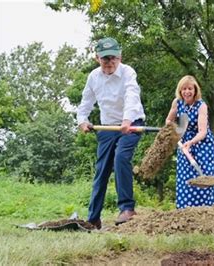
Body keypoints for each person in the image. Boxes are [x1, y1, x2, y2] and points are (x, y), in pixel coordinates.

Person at [77, 37, 146, 229]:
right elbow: (86, 103)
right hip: (107, 127)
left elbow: (132, 95)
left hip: (131, 123)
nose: (110, 62)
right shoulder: (93, 77)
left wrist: (127, 120)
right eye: (105, 58)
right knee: (102, 171)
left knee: (121, 158)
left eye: (113, 58)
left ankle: (127, 208)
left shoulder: (128, 72)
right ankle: (93, 218)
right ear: (97, 58)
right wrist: (82, 120)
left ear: (120, 57)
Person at [165, 75, 214, 209]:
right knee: (186, 174)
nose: (187, 92)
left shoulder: (201, 106)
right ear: (180, 90)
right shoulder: (177, 103)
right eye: (184, 89)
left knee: (205, 172)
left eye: (190, 88)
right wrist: (175, 132)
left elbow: (203, 132)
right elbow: (168, 121)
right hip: (183, 142)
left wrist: (190, 142)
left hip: (202, 145)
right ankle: (186, 208)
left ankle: (210, 208)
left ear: (195, 90)